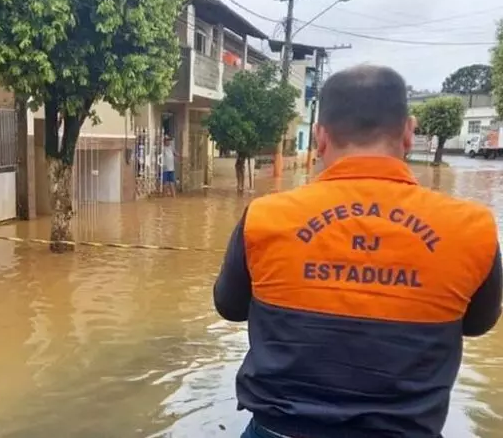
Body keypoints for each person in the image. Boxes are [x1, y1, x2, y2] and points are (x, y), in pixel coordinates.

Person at [213, 65, 502, 438]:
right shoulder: (472, 227)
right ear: (409, 132)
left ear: (320, 136)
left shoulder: (264, 218)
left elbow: (229, 307)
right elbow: (477, 324)